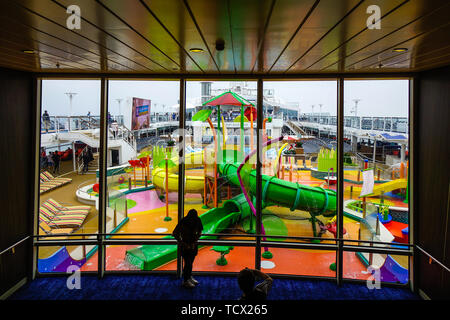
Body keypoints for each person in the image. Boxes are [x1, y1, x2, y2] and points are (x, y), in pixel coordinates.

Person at [172, 209, 204, 288]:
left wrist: (193, 242)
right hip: (186, 246)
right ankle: (186, 280)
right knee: (188, 263)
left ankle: (188, 277)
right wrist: (184, 243)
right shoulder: (187, 221)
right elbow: (175, 233)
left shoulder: (190, 220)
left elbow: (200, 232)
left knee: (189, 263)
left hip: (191, 245)